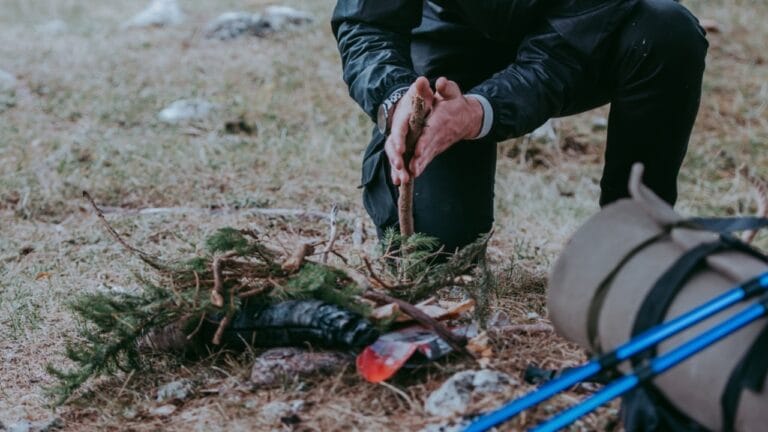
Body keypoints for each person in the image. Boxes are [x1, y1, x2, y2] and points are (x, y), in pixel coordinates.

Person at [332, 0, 708, 252]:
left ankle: (633, 241)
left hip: (578, 33)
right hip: (448, 33)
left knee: (666, 31)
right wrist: (395, 97)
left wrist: (478, 112)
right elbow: (366, 21)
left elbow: (557, 60)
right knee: (436, 244)